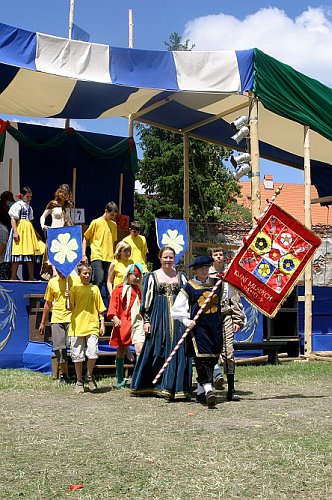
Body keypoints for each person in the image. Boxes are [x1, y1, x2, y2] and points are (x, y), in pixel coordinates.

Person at [130, 246, 192, 400]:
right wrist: (147, 321)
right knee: (158, 350)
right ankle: (154, 385)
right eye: (165, 257)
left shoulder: (182, 277)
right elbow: (147, 301)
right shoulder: (153, 277)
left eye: (171, 257)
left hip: (178, 320)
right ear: (160, 258)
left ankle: (176, 387)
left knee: (179, 352)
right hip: (159, 316)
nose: (168, 260)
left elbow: (188, 299)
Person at [171, 255, 223, 409]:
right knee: (202, 359)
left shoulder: (217, 284)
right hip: (199, 329)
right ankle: (208, 390)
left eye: (207, 267)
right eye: (201, 268)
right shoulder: (189, 287)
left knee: (213, 358)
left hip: (215, 327)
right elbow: (177, 309)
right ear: (195, 270)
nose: (204, 270)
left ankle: (201, 391)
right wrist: (187, 321)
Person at [209, 247, 246, 401]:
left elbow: (235, 297)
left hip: (226, 315)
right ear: (211, 257)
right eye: (215, 254)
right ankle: (207, 386)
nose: (219, 257)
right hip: (210, 316)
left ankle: (231, 389)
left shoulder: (229, 274)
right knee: (210, 350)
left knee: (229, 351)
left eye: (221, 254)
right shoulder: (207, 274)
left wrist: (238, 319)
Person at [66, 262, 106, 393]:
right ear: (79, 274)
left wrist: (102, 322)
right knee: (78, 356)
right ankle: (79, 380)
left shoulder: (95, 289)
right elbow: (69, 308)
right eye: (85, 273)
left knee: (93, 353)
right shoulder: (74, 289)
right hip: (77, 326)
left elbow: (100, 308)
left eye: (89, 273)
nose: (87, 275)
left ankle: (89, 375)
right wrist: (67, 298)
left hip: (92, 325)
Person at [107, 263, 145, 388]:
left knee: (139, 348)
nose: (137, 278)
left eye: (139, 276)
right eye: (135, 275)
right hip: (122, 323)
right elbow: (113, 306)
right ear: (128, 275)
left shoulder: (139, 290)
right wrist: (115, 317)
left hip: (137, 322)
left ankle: (139, 378)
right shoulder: (118, 289)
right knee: (121, 351)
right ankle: (120, 379)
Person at [39, 270, 79, 383]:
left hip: (72, 318)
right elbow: (48, 303)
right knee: (59, 348)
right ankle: (64, 374)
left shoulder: (75, 280)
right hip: (57, 318)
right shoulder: (52, 282)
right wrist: (42, 322)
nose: (61, 272)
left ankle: (79, 375)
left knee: (74, 347)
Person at [5, 186, 45, 281]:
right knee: (17, 254)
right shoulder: (17, 205)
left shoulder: (29, 207)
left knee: (29, 255)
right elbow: (13, 219)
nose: (29, 199)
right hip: (20, 230)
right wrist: (15, 232)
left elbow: (30, 222)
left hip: (28, 232)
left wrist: (35, 233)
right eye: (27, 196)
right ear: (22, 196)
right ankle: (13, 277)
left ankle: (31, 277)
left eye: (30, 197)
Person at [82, 202, 118, 292]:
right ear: (106, 211)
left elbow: (113, 242)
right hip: (97, 256)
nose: (113, 217)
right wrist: (83, 254)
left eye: (114, 216)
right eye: (111, 215)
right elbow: (85, 238)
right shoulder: (96, 222)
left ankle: (110, 305)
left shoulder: (114, 225)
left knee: (109, 283)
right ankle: (94, 304)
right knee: (99, 280)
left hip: (109, 258)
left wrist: (115, 256)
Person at [40, 184, 74, 280]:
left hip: (64, 233)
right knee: (53, 253)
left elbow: (68, 220)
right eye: (62, 193)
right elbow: (43, 216)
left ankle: (61, 273)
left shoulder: (67, 206)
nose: (64, 196)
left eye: (66, 194)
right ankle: (54, 272)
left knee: (62, 254)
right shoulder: (53, 204)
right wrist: (43, 226)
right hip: (54, 231)